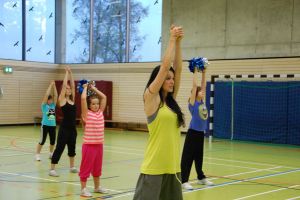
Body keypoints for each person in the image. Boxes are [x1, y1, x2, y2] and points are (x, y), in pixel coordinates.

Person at [133, 25, 184, 200]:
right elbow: (165, 67)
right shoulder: (151, 98)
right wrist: (171, 39)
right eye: (167, 79)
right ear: (159, 80)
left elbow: (178, 68)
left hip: (173, 168)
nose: (171, 81)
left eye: (172, 79)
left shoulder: (171, 101)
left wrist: (178, 43)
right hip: (154, 168)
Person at [181, 68, 213, 190]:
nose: (202, 92)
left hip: (200, 134)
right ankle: (184, 181)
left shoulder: (202, 102)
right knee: (188, 157)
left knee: (199, 157)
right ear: (195, 94)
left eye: (202, 91)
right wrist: (195, 71)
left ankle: (200, 177)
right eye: (200, 92)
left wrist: (204, 72)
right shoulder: (193, 103)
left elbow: (203, 85)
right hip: (192, 133)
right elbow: (195, 85)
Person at [79, 83, 108, 197]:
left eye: (97, 104)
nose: (96, 105)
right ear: (89, 105)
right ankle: (83, 189)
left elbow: (104, 97)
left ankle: (96, 187)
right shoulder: (86, 114)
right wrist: (86, 87)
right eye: (93, 104)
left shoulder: (100, 113)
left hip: (99, 145)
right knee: (86, 167)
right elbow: (82, 98)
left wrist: (94, 89)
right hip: (89, 146)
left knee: (97, 168)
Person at [49, 67, 78, 177]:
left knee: (72, 147)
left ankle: (72, 167)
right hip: (64, 129)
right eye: (66, 88)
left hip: (72, 129)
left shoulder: (72, 99)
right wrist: (66, 73)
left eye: (69, 89)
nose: (69, 89)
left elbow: (73, 86)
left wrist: (71, 73)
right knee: (59, 148)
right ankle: (52, 169)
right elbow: (64, 85)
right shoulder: (62, 100)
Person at [35, 81, 58, 161]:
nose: (51, 101)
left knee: (52, 141)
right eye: (50, 100)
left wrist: (54, 86)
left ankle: (51, 154)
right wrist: (50, 85)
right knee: (42, 141)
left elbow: (56, 95)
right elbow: (46, 95)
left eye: (51, 100)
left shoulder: (53, 105)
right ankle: (37, 154)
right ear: (47, 100)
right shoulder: (44, 106)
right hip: (45, 125)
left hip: (53, 125)